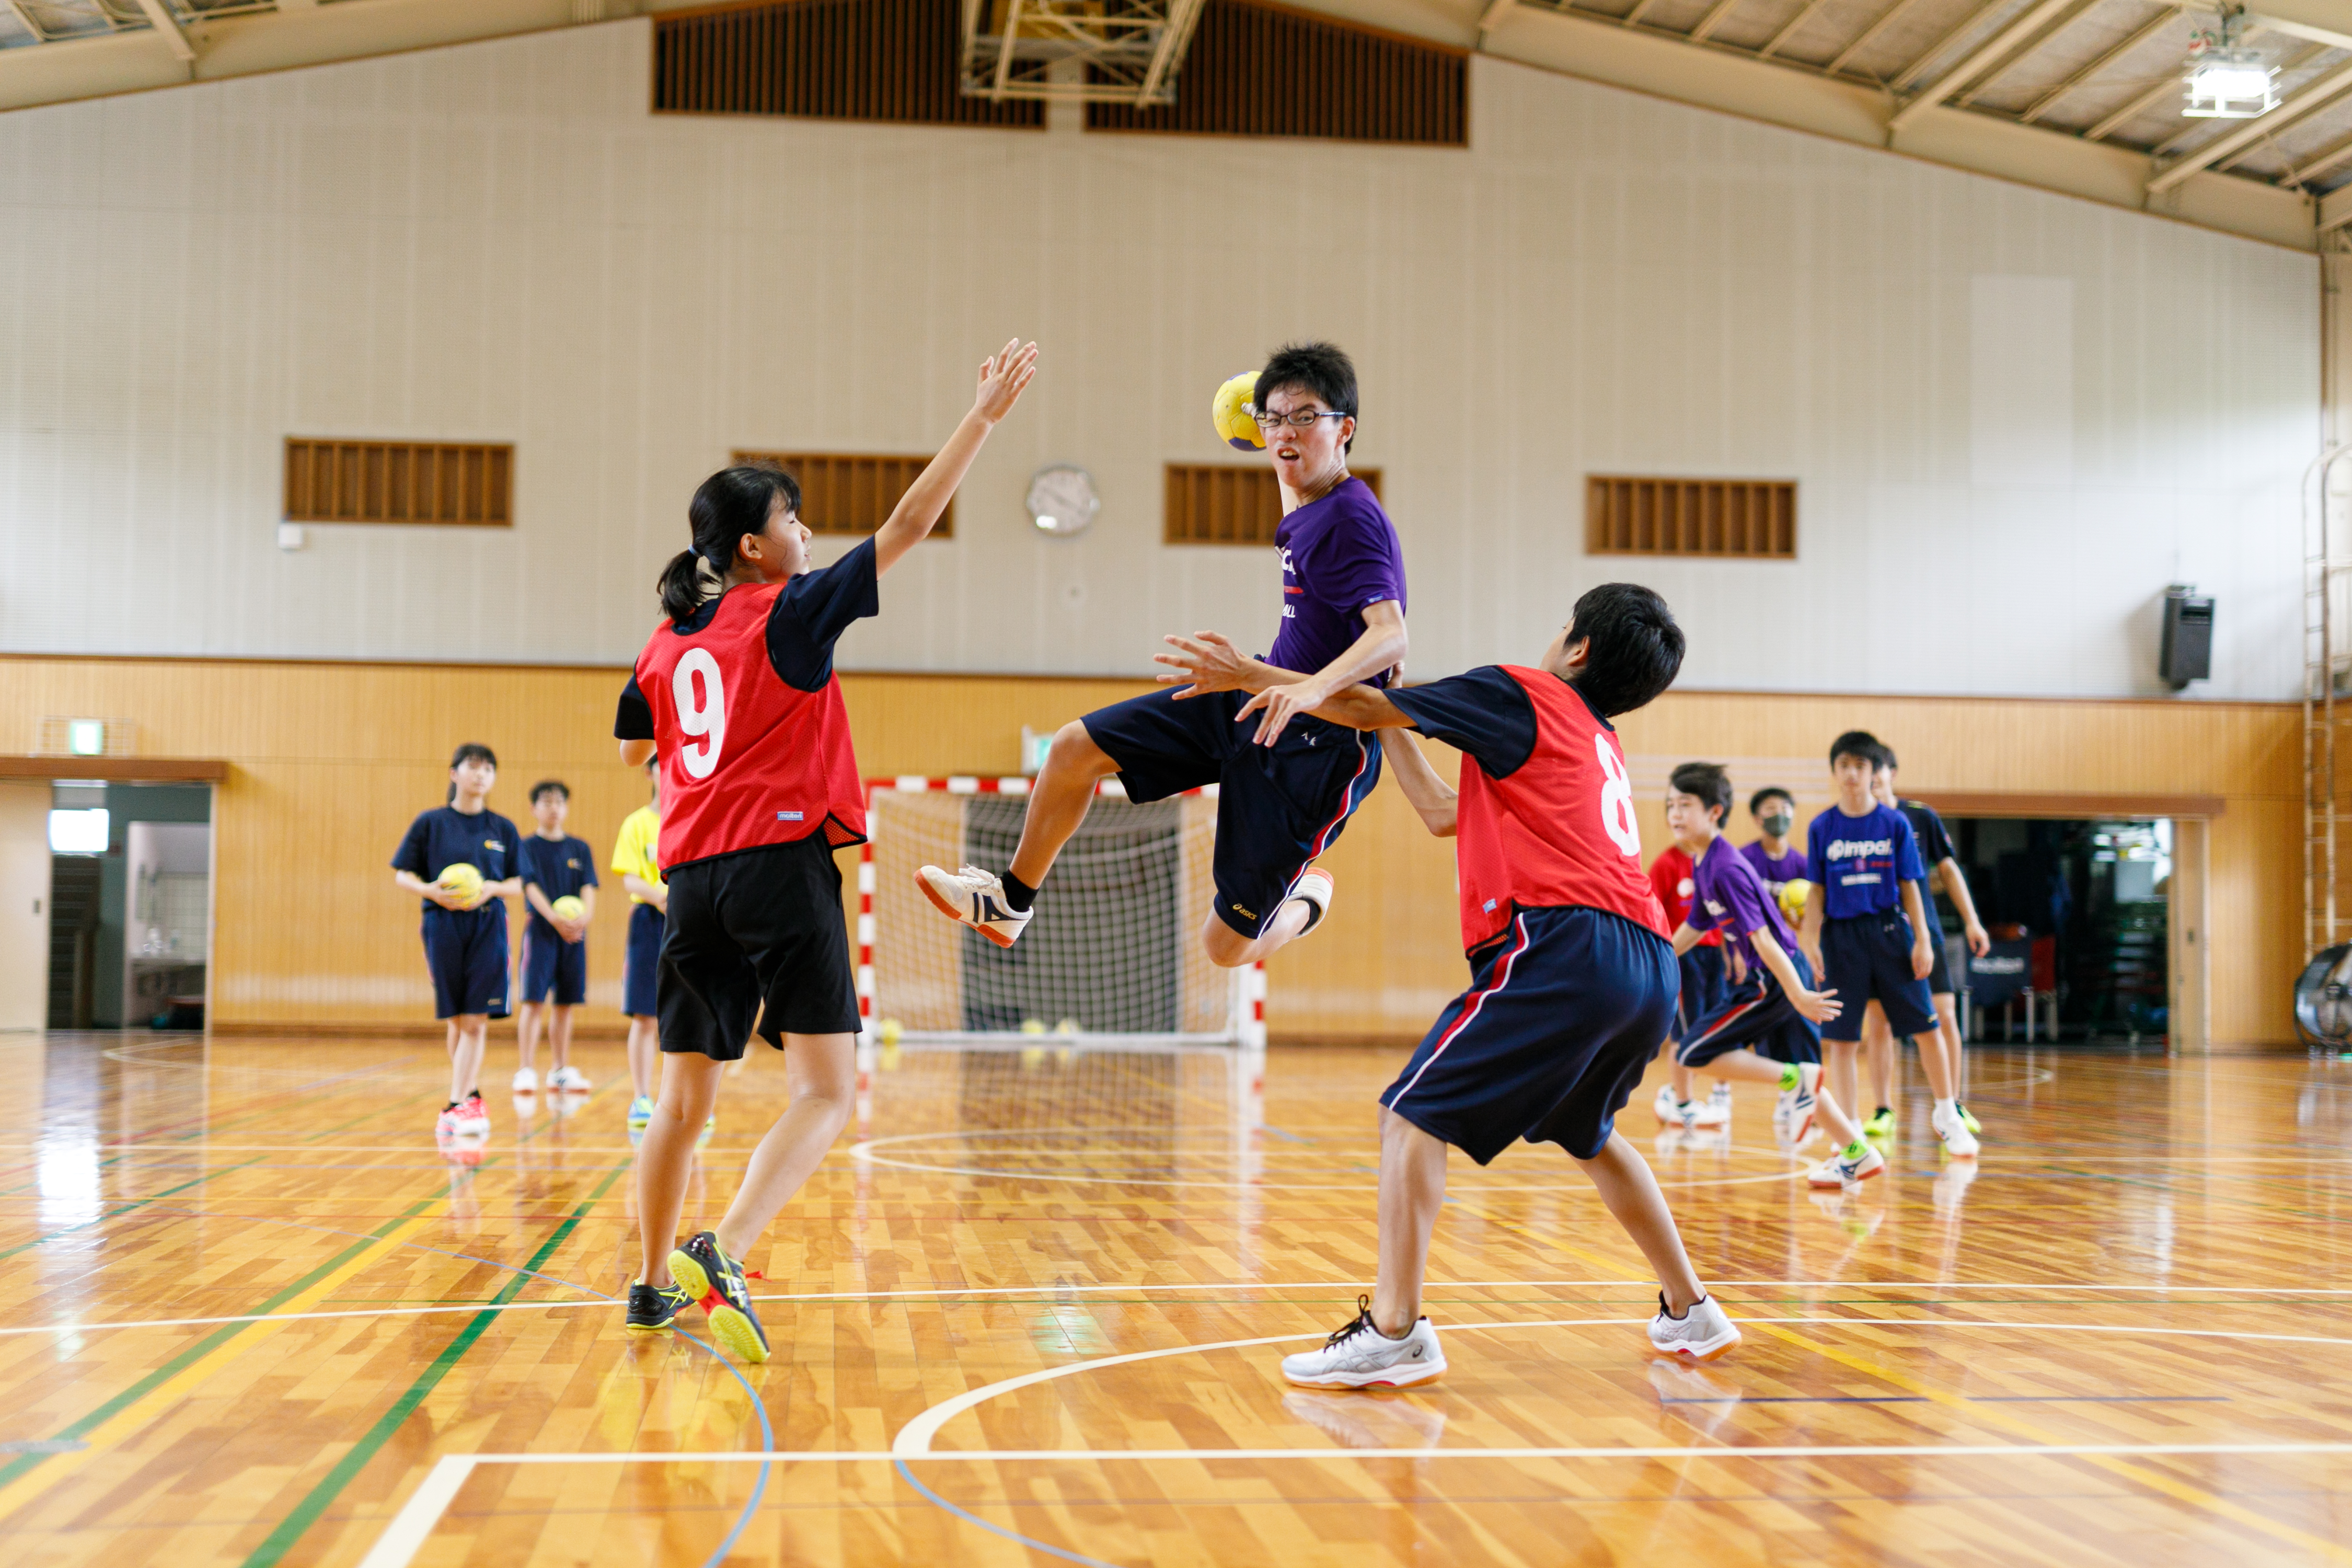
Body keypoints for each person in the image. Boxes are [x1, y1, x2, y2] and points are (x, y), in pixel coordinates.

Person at [615, 339, 1037, 1357]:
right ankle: (728, 1248)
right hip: (779, 863)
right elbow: (907, 525)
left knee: (678, 1104)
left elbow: (639, 744)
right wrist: (980, 419)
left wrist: (692, 764)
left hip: (692, 879)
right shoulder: (789, 613)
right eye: (793, 519)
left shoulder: (666, 641)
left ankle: (645, 1283)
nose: (807, 531)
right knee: (826, 1091)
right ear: (758, 548)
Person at [1256, 582, 1742, 1390]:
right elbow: (1443, 811)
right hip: (1647, 959)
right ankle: (1691, 1307)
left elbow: (1361, 712)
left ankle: (1396, 1329)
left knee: (1411, 1114)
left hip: (1564, 946)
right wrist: (1390, 703)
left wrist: (1266, 674)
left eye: (1563, 624)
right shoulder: (1594, 739)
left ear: (1578, 647)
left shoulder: (1524, 689)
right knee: (1585, 1131)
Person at [917, 342, 1402, 971]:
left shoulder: (1353, 521)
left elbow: (1390, 637)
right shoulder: (1308, 506)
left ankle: (1307, 898)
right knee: (1071, 752)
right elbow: (1289, 459)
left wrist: (1308, 691)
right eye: (1275, 418)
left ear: (1347, 429)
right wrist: (1275, 429)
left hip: (1317, 750)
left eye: (1306, 417)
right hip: (1251, 702)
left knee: (1224, 949)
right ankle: (1010, 903)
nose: (1287, 431)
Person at [1663, 763, 1880, 1190]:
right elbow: (1696, 924)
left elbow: (1762, 939)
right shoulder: (1704, 863)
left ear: (1714, 812)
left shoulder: (1725, 867)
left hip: (1772, 977)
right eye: (1670, 804)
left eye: (1685, 805)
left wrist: (1798, 993)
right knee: (1806, 1073)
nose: (1674, 813)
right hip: (1782, 974)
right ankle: (1857, 1153)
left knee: (1692, 1053)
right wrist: (1659, 959)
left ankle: (1791, 1081)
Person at [1795, 732, 1977, 1158]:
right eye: (1845, 766)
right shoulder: (1822, 826)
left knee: (1925, 1026)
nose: (1853, 774)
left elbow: (1910, 885)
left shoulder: (1895, 823)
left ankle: (1947, 1113)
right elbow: (1817, 889)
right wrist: (1810, 935)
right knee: (1841, 1039)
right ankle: (1852, 1131)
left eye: (1862, 766)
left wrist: (1924, 941)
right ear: (1835, 771)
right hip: (1841, 938)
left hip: (1891, 933)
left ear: (1875, 773)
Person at [390, 744, 524, 1142]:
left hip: (488, 926)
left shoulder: (503, 829)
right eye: (473, 767)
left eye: (489, 769)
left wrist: (489, 891)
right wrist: (432, 891)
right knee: (457, 1019)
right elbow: (402, 875)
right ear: (455, 774)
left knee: (476, 1020)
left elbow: (517, 884)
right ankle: (470, 1095)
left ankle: (454, 1106)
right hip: (442, 925)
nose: (481, 775)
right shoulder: (430, 823)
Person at [1863, 749, 1991, 1139]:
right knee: (1880, 1024)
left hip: (1924, 933)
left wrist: (1972, 921)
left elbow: (1948, 871)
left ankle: (1951, 1105)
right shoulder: (1853, 823)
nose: (1870, 777)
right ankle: (1883, 1109)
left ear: (1891, 773)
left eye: (1876, 769)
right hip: (1875, 936)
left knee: (1945, 1015)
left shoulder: (1920, 816)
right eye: (1861, 769)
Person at [514, 780, 597, 1096]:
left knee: (565, 1004)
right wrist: (554, 918)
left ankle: (560, 1071)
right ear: (534, 808)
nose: (554, 807)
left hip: (574, 936)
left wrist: (583, 919)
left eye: (560, 802)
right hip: (541, 933)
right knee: (534, 1002)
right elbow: (529, 886)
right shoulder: (526, 847)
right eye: (547, 802)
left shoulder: (580, 848)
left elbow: (589, 887)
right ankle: (525, 1069)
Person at [1647, 837, 1728, 1132]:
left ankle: (1675, 1093)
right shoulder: (1667, 863)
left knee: (1709, 1029)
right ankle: (1683, 1105)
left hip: (1712, 955)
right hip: (1681, 954)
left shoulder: (1712, 861)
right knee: (1685, 1031)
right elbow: (1651, 912)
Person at [611, 760, 666, 1131]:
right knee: (646, 1016)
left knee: (692, 1015)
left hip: (694, 924)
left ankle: (688, 1101)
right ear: (649, 773)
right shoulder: (637, 823)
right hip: (650, 922)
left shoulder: (695, 818)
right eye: (663, 765)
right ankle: (642, 1098)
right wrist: (662, 897)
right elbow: (630, 879)